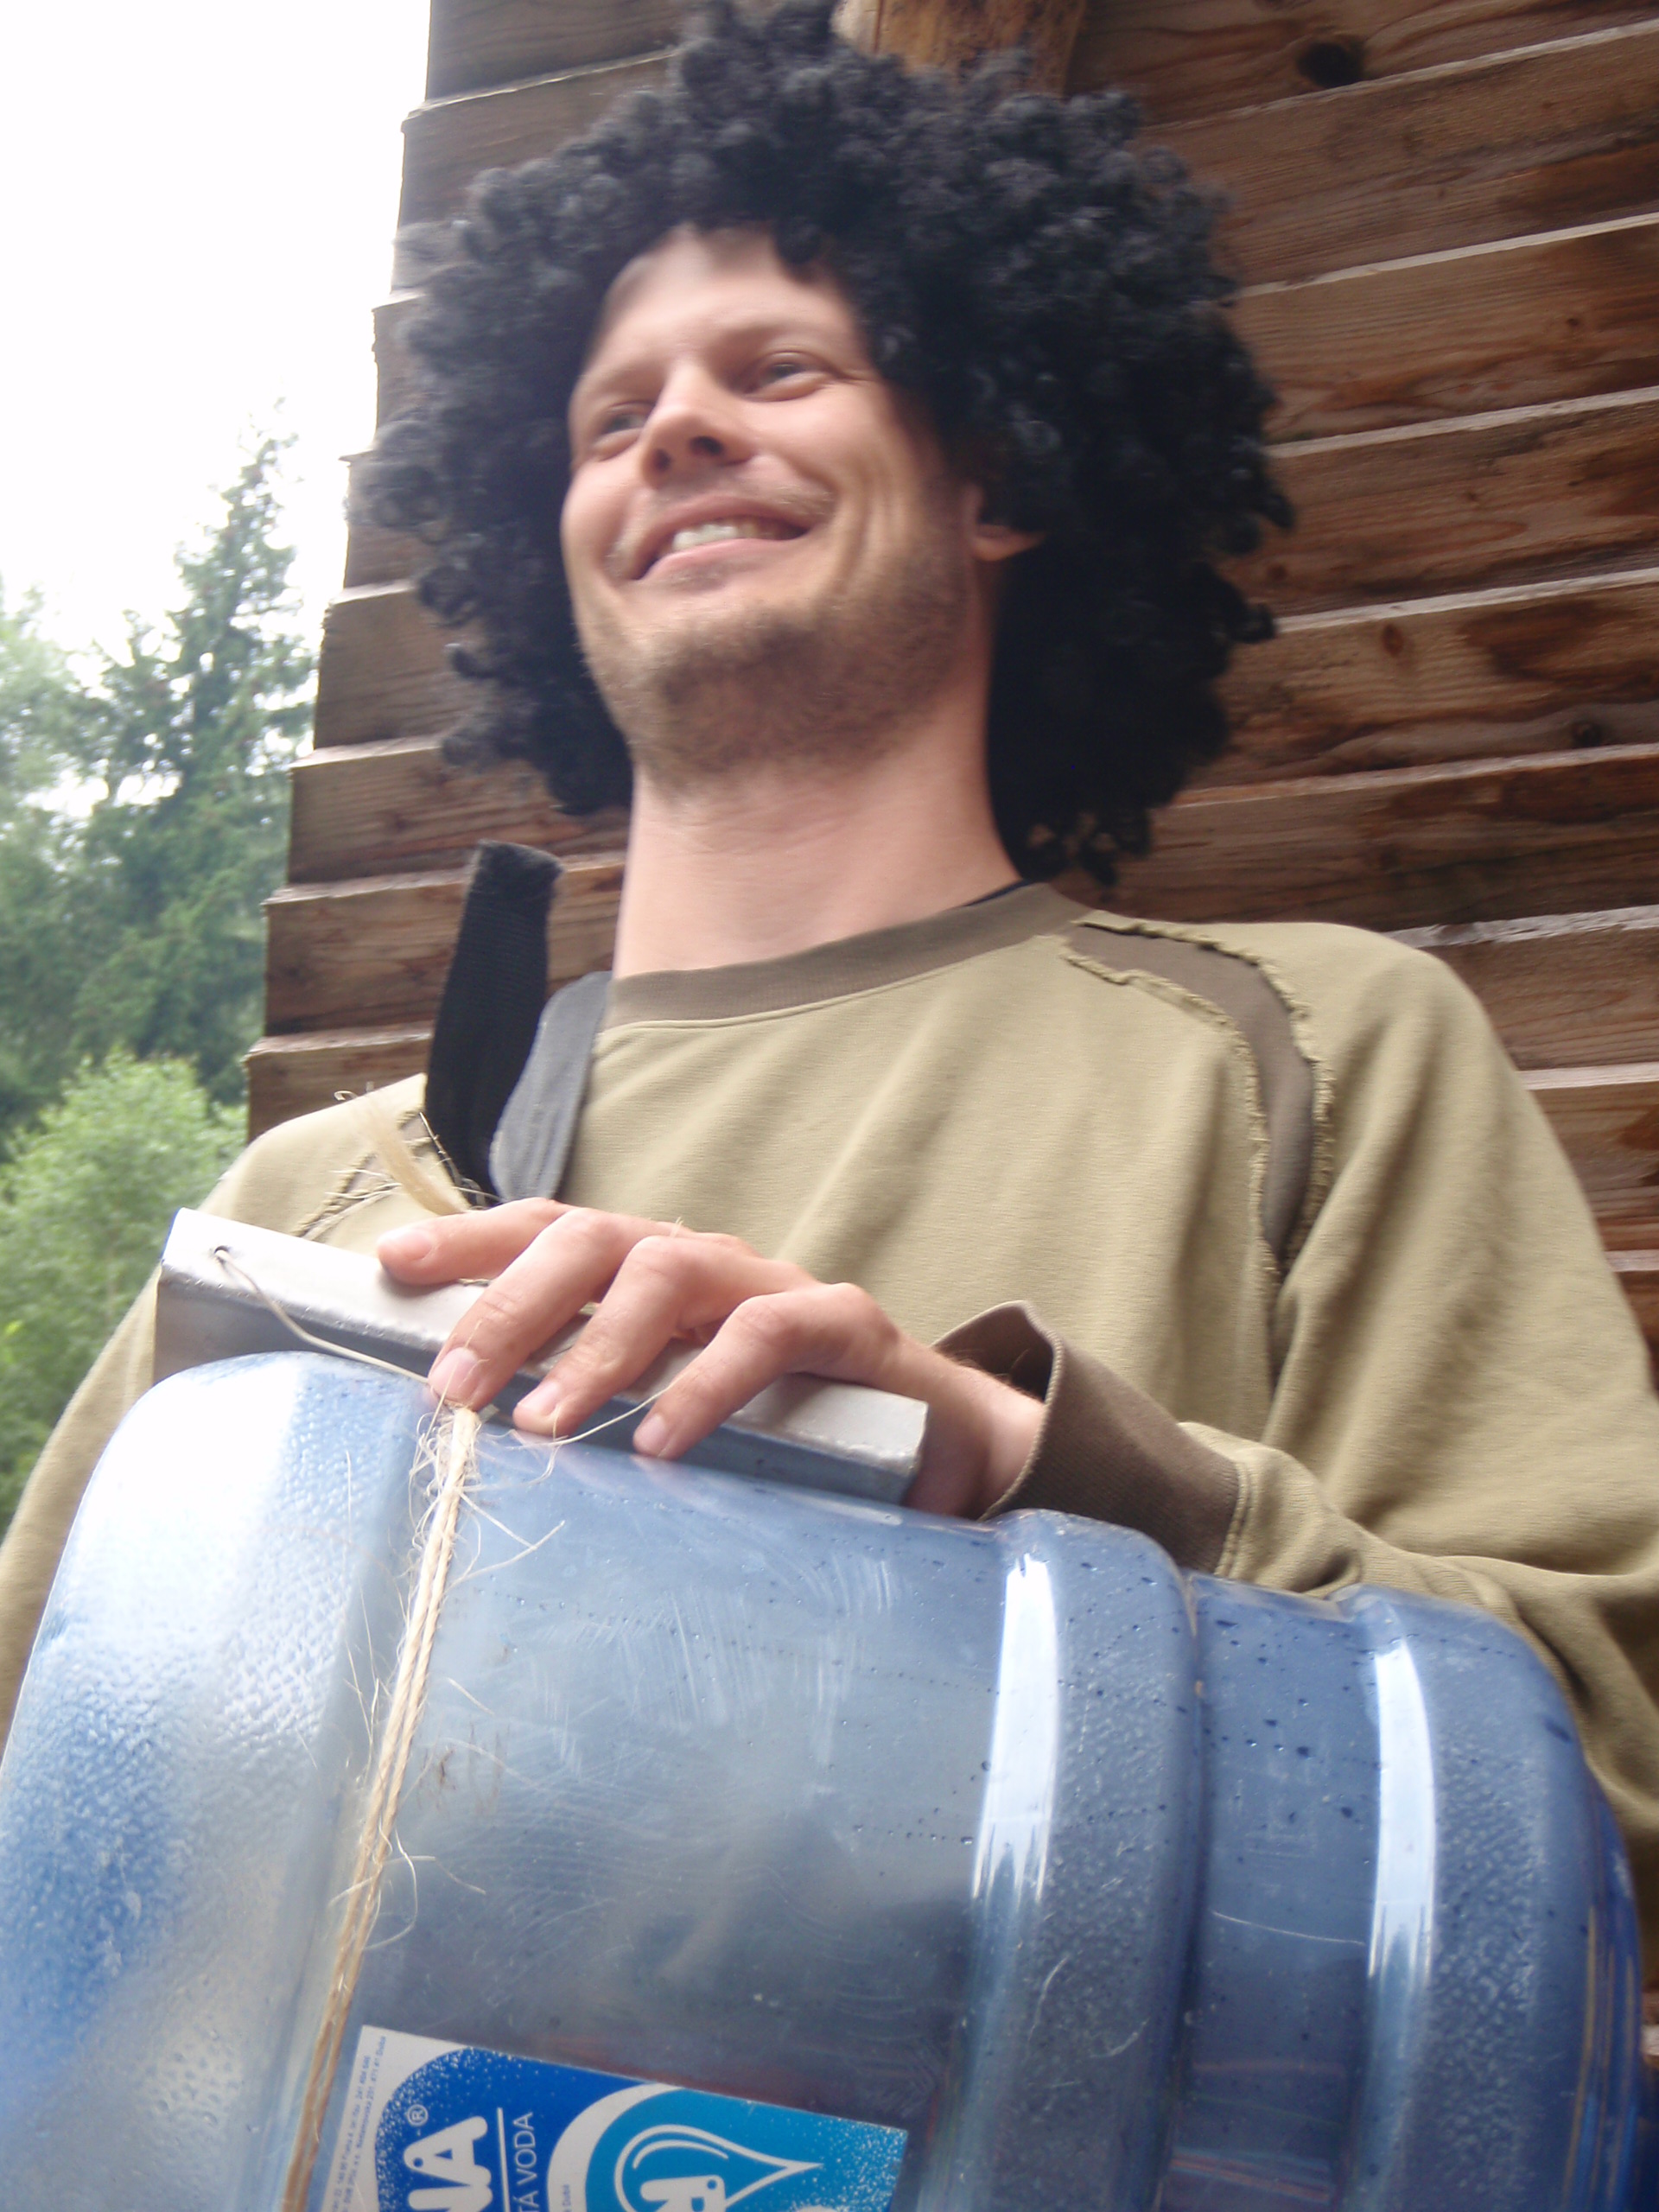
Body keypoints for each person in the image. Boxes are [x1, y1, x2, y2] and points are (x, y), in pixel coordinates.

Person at [4, 0, 1659, 1954]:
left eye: (776, 370)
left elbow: (1606, 1777)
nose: (675, 431)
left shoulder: (1313, 1049)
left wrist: (1016, 1462)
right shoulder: (322, 1197)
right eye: (610, 420)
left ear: (999, 477)